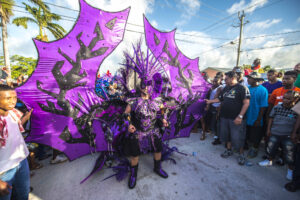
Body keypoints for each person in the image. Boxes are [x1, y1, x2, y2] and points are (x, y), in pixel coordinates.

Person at [124, 80, 169, 189]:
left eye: (149, 85)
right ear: (140, 87)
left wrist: (164, 120)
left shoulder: (157, 101)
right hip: (138, 131)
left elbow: (162, 113)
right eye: (144, 85)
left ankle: (157, 168)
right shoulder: (133, 101)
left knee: (158, 150)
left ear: (152, 87)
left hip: (153, 131)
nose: (146, 88)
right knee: (135, 155)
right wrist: (129, 124)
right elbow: (125, 114)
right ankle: (133, 174)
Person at [206, 71, 250, 165]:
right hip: (225, 117)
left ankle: (241, 154)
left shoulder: (242, 88)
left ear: (232, 78)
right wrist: (210, 101)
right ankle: (228, 150)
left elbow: (246, 103)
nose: (224, 80)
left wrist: (240, 116)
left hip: (236, 118)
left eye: (226, 79)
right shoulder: (226, 88)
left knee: (238, 137)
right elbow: (220, 99)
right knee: (227, 136)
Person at [0, 84, 33, 200]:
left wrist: (26, 118)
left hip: (21, 162)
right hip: (4, 171)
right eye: (8, 98)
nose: (13, 101)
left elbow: (14, 127)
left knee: (23, 196)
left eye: (14, 97)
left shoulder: (13, 113)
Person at [258, 91, 298, 181]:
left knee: (289, 153)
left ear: (295, 100)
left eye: (289, 99)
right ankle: (269, 160)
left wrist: (294, 133)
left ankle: (290, 170)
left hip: (288, 135)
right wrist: (268, 130)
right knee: (271, 148)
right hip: (275, 132)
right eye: (284, 98)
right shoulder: (277, 107)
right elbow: (271, 118)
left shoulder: (296, 111)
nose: (285, 100)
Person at [245, 72, 268, 158]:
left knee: (256, 135)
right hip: (247, 115)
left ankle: (254, 148)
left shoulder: (263, 90)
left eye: (249, 78)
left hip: (256, 116)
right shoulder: (247, 88)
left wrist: (259, 119)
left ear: (255, 79)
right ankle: (245, 145)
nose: (247, 80)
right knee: (247, 132)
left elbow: (263, 106)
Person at [206, 76, 222, 145]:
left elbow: (216, 97)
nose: (214, 82)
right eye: (214, 81)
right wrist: (208, 105)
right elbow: (210, 97)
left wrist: (216, 91)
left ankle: (217, 138)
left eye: (216, 81)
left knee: (215, 123)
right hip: (212, 105)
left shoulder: (220, 87)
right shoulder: (213, 87)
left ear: (220, 81)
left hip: (217, 107)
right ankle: (215, 135)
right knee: (211, 123)